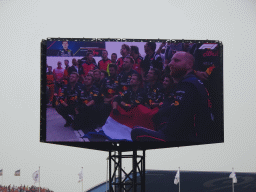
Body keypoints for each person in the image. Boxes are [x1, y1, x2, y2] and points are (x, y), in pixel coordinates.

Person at [131, 51, 214, 143]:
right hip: (189, 133)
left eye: (176, 60)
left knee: (136, 131)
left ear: (189, 65)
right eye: (171, 60)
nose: (170, 63)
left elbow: (176, 124)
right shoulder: (191, 81)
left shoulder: (188, 85)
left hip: (189, 139)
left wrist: (162, 129)